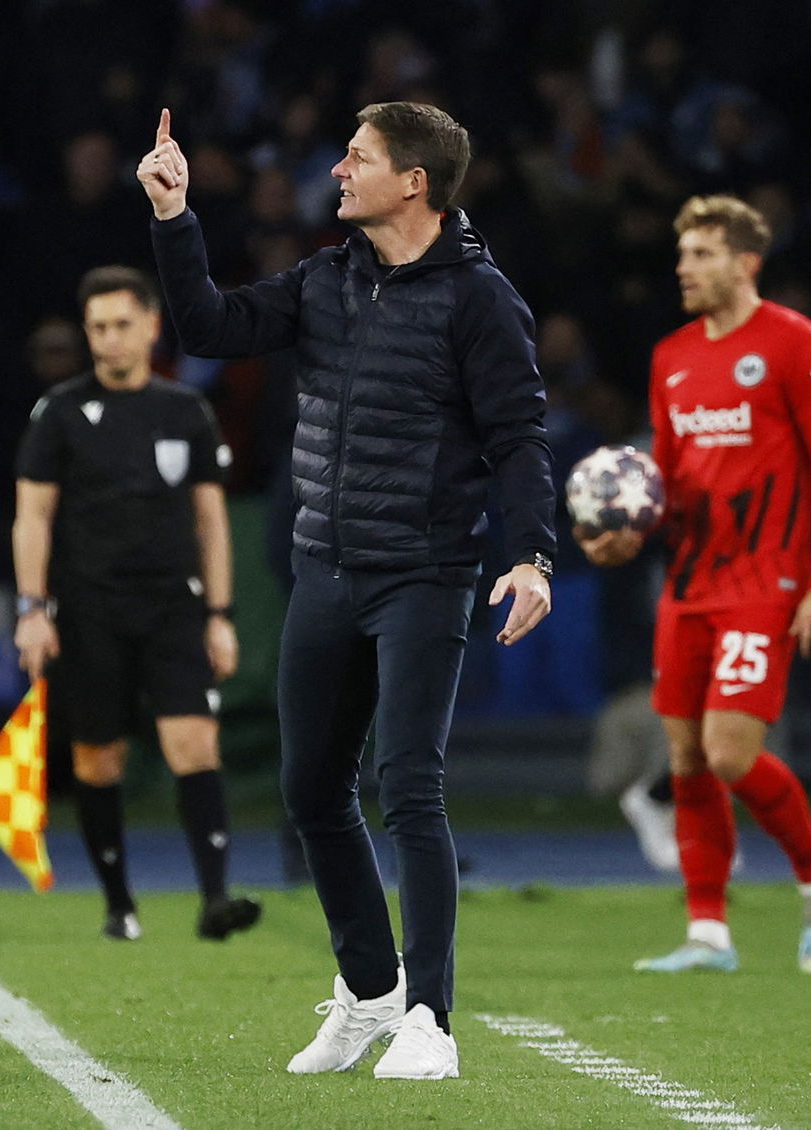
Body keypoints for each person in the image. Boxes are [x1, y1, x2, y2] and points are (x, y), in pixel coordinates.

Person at [139, 102, 556, 1080]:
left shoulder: (479, 299)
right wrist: (173, 218)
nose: (337, 169)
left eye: (358, 157)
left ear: (413, 181)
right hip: (323, 565)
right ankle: (368, 993)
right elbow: (208, 324)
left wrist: (533, 555)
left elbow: (519, 439)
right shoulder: (326, 279)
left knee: (408, 786)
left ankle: (430, 1018)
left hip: (424, 570)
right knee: (308, 791)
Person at [577, 194, 811, 974]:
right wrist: (626, 535)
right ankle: (708, 931)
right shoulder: (672, 356)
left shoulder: (795, 344)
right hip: (689, 582)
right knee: (687, 756)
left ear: (746, 262)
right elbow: (667, 478)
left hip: (766, 581)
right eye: (682, 256)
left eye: (701, 255)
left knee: (730, 751)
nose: (684, 269)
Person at [11, 264, 261, 944]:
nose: (109, 340)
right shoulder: (58, 412)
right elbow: (31, 517)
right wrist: (32, 608)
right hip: (89, 609)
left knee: (194, 743)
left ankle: (215, 898)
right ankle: (119, 905)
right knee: (99, 759)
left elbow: (213, 522)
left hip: (174, 606)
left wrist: (221, 616)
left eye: (122, 325)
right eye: (97, 328)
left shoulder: (186, 410)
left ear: (152, 327)